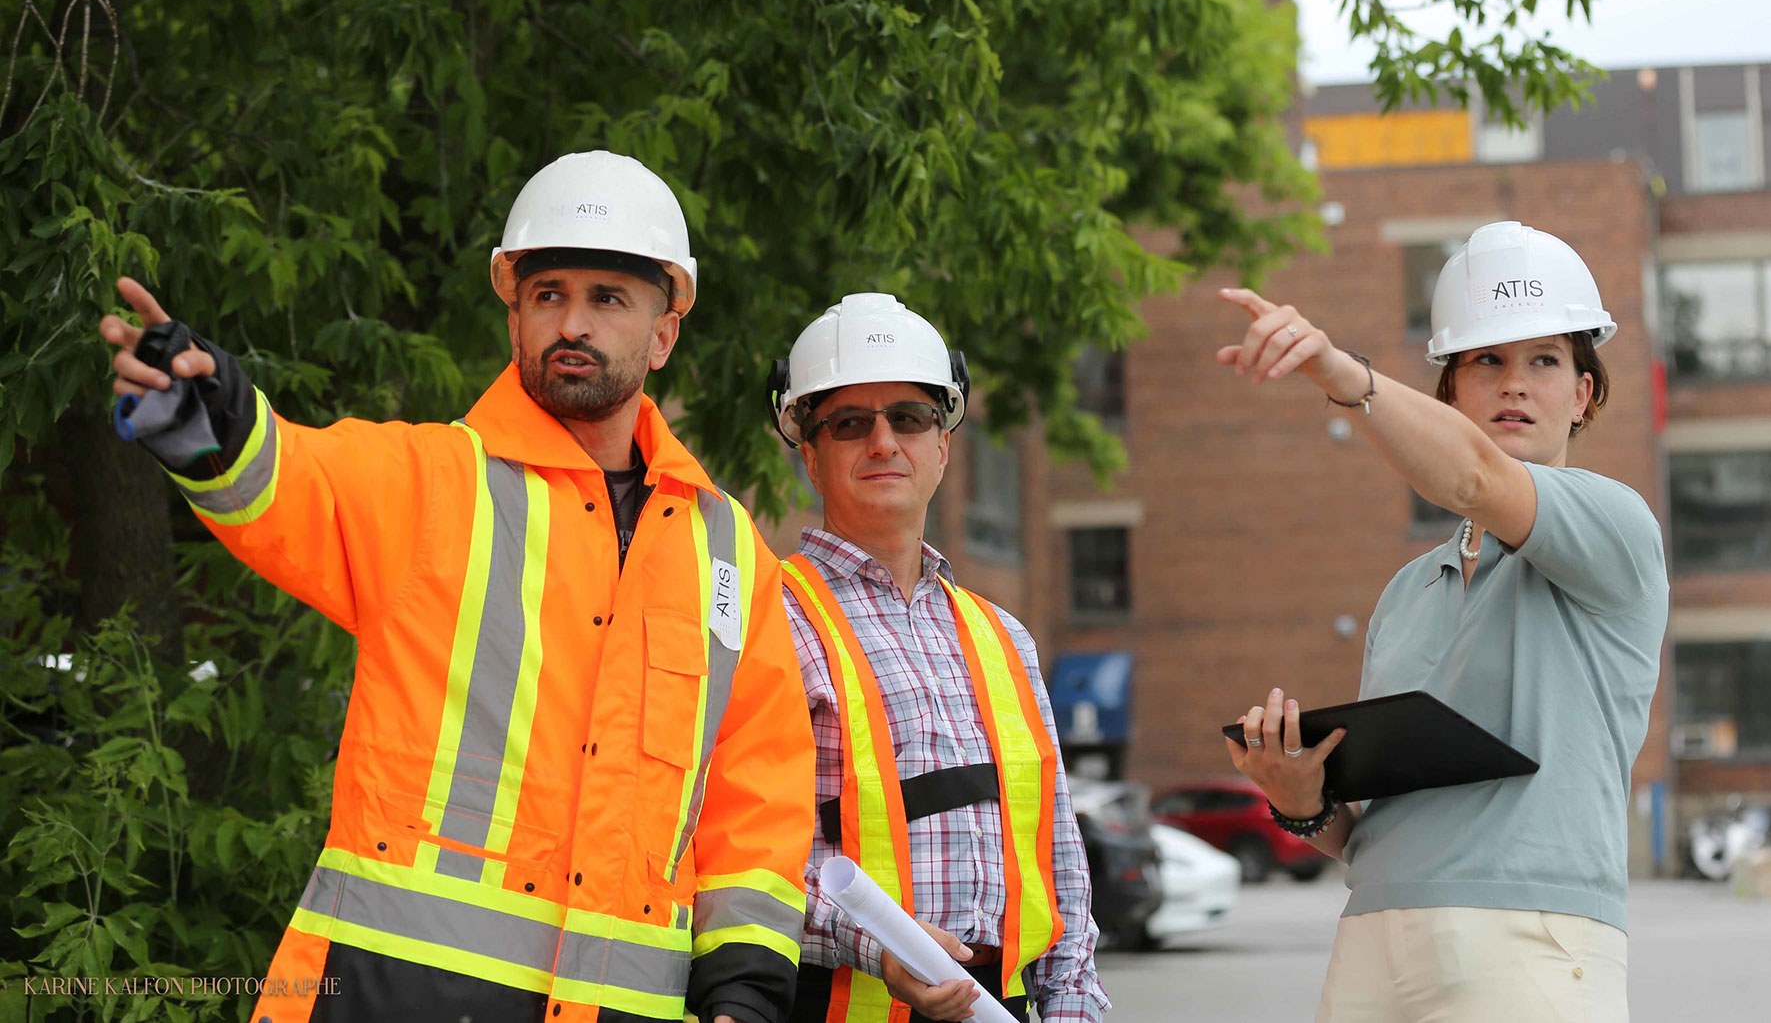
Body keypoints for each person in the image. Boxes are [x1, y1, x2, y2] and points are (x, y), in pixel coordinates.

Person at [100, 150, 815, 1023]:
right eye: (548, 294)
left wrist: (744, 991)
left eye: (608, 299)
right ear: (514, 313)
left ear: (664, 333)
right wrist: (217, 422)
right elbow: (296, 479)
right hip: (389, 993)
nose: (572, 324)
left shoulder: (730, 556)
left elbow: (758, 794)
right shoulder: (437, 480)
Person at [1218, 221, 1668, 1023]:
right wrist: (1301, 797)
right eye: (1486, 361)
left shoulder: (1618, 528)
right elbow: (1366, 836)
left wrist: (1337, 371)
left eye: (1544, 361)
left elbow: (1473, 477)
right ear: (1449, 394)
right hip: (1373, 935)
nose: (1515, 384)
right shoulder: (1406, 592)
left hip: (1531, 939)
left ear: (1583, 393)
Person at [764, 294, 1108, 1023]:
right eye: (850, 424)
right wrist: (875, 944)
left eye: (910, 419)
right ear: (809, 453)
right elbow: (736, 851)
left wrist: (1074, 1005)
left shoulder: (1003, 636)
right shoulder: (769, 620)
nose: (884, 442)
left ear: (944, 445)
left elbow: (1059, 856)